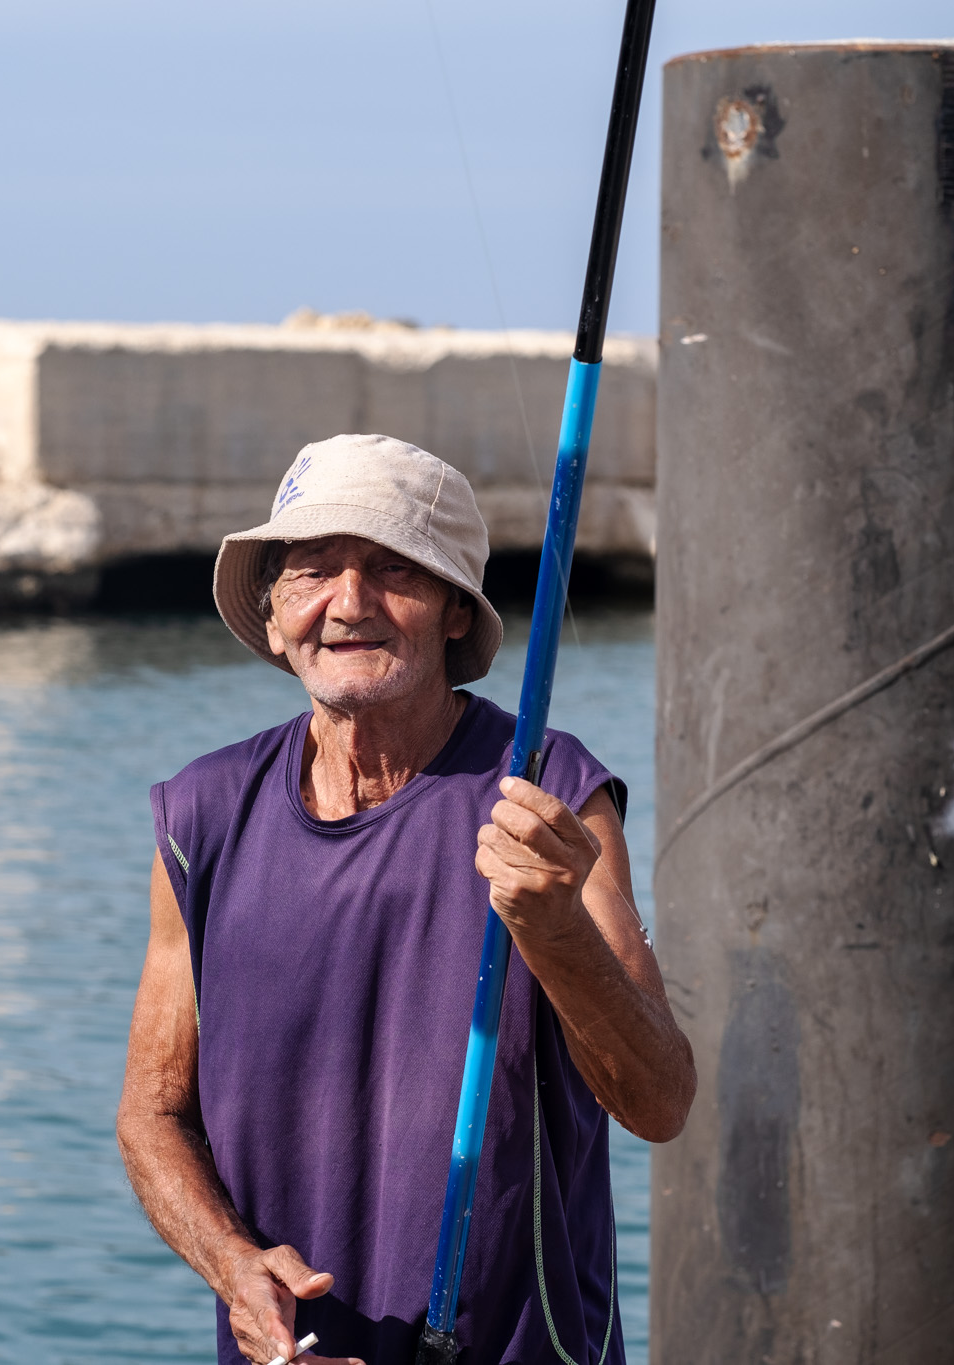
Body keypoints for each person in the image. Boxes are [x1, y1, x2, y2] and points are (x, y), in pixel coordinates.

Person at [116, 434, 695, 1365]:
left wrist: (555, 932)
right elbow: (152, 1114)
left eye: (394, 570)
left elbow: (658, 1100)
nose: (349, 603)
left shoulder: (551, 796)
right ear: (274, 617)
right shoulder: (200, 817)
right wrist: (232, 1266)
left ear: (456, 613)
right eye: (312, 571)